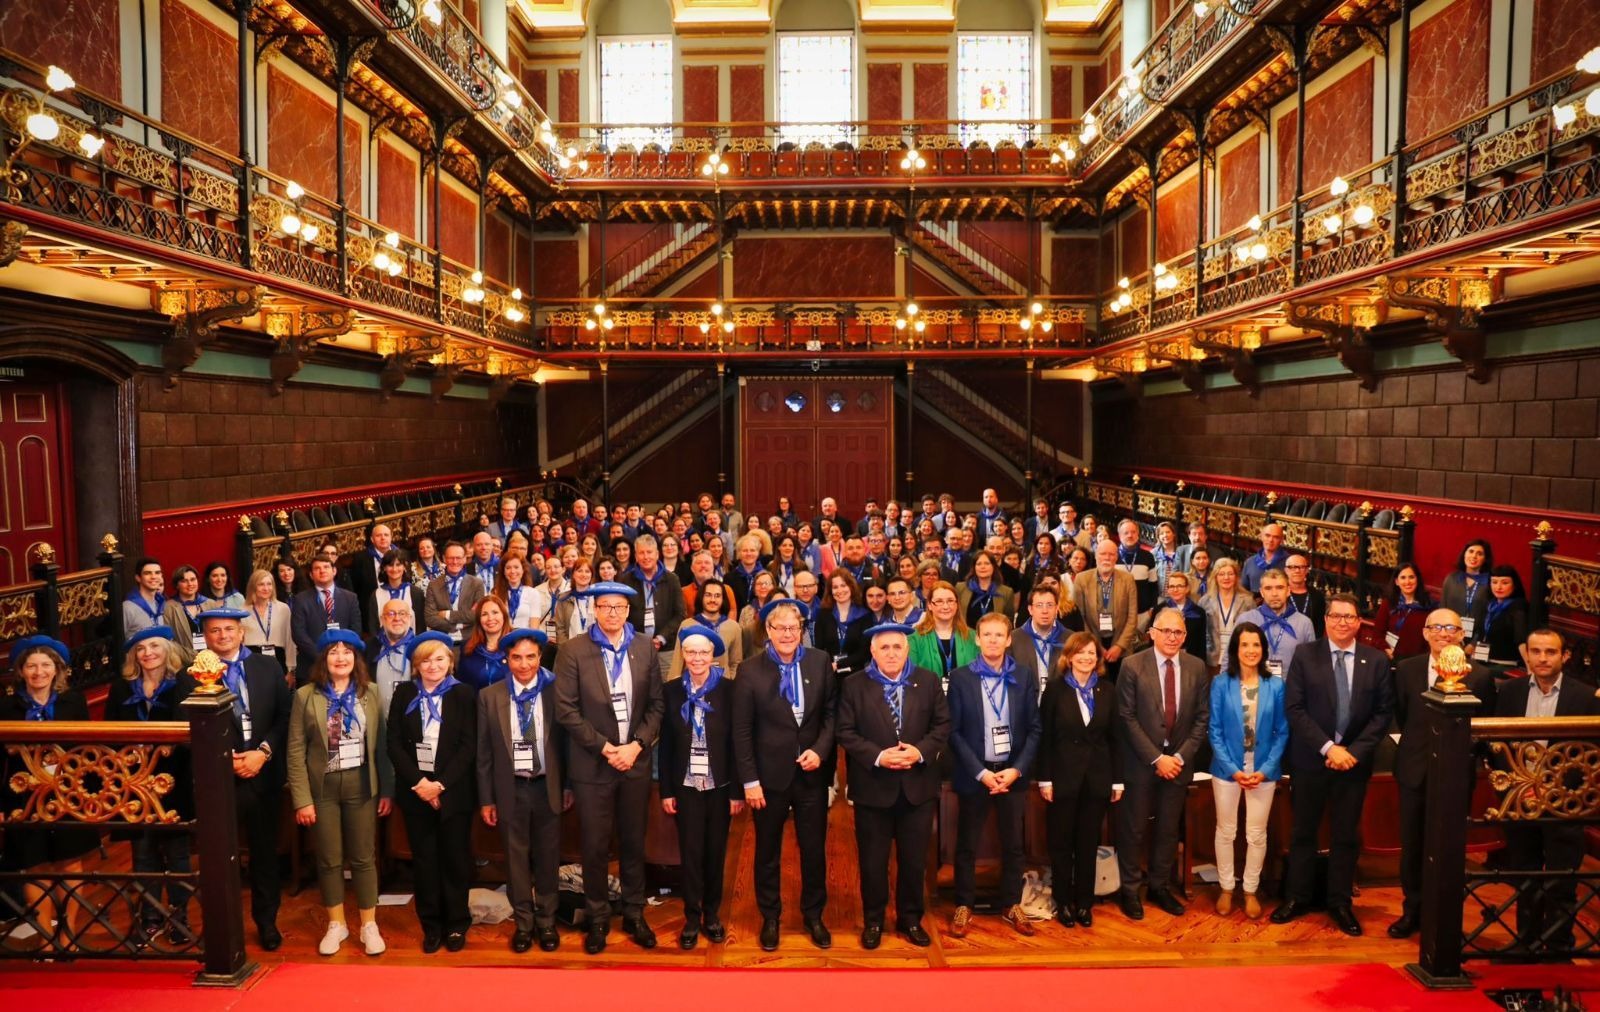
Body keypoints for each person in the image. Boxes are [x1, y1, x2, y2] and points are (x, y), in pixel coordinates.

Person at [1273, 593, 1394, 936]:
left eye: (1350, 617)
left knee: (1345, 836)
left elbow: (1383, 714)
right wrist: (1329, 748)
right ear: (1325, 620)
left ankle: (1340, 903)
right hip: (1311, 760)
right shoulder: (1305, 655)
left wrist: (1352, 751)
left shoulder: (1376, 661)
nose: (1343, 622)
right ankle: (1296, 897)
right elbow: (1295, 708)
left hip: (1354, 764)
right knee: (1303, 833)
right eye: (1336, 616)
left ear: (1359, 623)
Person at [553, 581, 664, 954]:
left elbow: (656, 707)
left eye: (619, 607)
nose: (613, 613)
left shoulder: (645, 647)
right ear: (595, 610)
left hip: (634, 762)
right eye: (605, 607)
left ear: (628, 611)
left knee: (634, 842)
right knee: (595, 845)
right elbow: (566, 710)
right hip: (593, 765)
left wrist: (634, 746)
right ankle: (598, 917)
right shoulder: (573, 651)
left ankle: (634, 912)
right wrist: (606, 748)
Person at [837, 623, 950, 948]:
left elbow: (942, 724)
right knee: (872, 862)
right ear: (872, 652)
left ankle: (910, 919)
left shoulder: (927, 682)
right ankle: (873, 921)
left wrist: (919, 752)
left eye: (896, 647)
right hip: (873, 787)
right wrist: (878, 756)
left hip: (918, 787)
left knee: (914, 861)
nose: (890, 653)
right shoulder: (855, 685)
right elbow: (845, 731)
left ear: (907, 650)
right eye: (883, 648)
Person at [1387, 608, 1496, 939]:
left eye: (1451, 627)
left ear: (1461, 634)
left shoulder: (1479, 676)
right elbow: (1404, 717)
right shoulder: (1406, 669)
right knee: (1414, 846)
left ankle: (1446, 918)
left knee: (1449, 849)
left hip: (1455, 776)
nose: (1444, 633)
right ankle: (1413, 912)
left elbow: (1484, 728)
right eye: (1436, 627)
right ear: (1425, 633)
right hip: (1414, 770)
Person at [733, 599, 836, 951]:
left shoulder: (820, 662)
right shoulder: (750, 670)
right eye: (781, 628)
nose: (788, 634)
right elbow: (742, 731)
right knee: (767, 851)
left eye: (795, 628)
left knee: (813, 850)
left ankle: (813, 915)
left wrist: (820, 751)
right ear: (769, 632)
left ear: (802, 630)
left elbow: (831, 716)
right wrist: (749, 781)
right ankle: (771, 917)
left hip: (811, 776)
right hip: (767, 780)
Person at [288, 628, 393, 956]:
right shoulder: (306, 696)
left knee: (364, 858)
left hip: (362, 785)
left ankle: (368, 924)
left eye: (347, 651)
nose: (341, 657)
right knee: (330, 859)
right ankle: (336, 924)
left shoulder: (371, 692)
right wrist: (302, 799)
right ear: (324, 659)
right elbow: (294, 750)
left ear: (356, 658)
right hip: (323, 789)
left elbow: (382, 746)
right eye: (334, 652)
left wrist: (387, 790)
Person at [190, 607, 290, 949]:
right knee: (221, 859)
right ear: (206, 636)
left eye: (229, 629)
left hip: (263, 774)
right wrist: (223, 761)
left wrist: (263, 752)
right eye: (215, 631)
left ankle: (267, 923)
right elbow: (189, 729)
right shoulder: (190, 675)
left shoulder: (267, 666)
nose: (223, 636)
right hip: (219, 782)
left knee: (265, 856)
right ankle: (223, 927)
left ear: (242, 632)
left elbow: (283, 716)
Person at [1493, 628, 1598, 953]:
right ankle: (1525, 940)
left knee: (1561, 877)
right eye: (1536, 651)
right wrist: (1519, 789)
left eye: (1550, 652)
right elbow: (1498, 746)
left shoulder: (1584, 697)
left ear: (1564, 656)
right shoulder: (1509, 692)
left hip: (1565, 803)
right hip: (1520, 800)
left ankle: (1558, 944)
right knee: (1524, 874)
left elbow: (1590, 755)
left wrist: (1552, 790)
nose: (1542, 658)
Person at [946, 613, 1040, 938]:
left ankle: (1011, 903)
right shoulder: (960, 678)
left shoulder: (1024, 676)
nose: (993, 641)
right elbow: (954, 732)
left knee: (1014, 844)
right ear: (977, 638)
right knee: (967, 844)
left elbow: (1034, 729)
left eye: (999, 635)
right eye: (987, 635)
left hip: (1012, 774)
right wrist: (981, 773)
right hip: (977, 774)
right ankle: (964, 905)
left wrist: (1016, 770)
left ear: (1009, 639)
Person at [2, 636, 100, 944]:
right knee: (35, 863)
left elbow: (89, 750)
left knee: (70, 860)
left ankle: (68, 932)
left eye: (45, 665)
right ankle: (46, 935)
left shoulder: (74, 702)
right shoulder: (7, 707)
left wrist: (92, 795)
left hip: (69, 792)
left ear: (57, 670)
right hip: (23, 795)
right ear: (21, 672)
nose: (38, 672)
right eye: (31, 666)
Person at [1114, 607, 1210, 920]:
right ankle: (1129, 889)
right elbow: (1125, 717)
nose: (1172, 637)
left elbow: (1201, 718)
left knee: (1169, 830)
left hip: (1180, 764)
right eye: (1166, 631)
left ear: (1185, 636)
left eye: (1178, 632)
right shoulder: (1132, 665)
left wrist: (1178, 757)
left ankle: (1159, 886)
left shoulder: (1197, 667)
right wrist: (1157, 758)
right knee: (1134, 829)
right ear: (1152, 632)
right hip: (1142, 763)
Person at [478, 628, 569, 953]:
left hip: (547, 786)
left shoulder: (556, 692)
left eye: (531, 657)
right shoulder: (491, 696)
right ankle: (524, 923)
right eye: (516, 657)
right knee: (515, 859)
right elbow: (484, 753)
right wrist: (486, 798)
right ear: (506, 659)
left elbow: (567, 745)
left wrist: (568, 785)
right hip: (510, 788)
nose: (524, 664)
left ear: (540, 657)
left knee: (547, 857)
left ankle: (546, 922)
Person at [386, 631, 476, 953]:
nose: (433, 665)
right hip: (415, 792)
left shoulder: (464, 694)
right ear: (416, 665)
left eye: (439, 658)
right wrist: (420, 784)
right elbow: (393, 743)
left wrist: (440, 784)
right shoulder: (404, 694)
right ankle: (431, 925)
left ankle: (456, 923)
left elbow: (469, 746)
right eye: (426, 659)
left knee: (455, 859)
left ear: (450, 662)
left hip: (454, 792)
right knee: (424, 861)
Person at [107, 626, 196, 943]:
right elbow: (109, 733)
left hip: (174, 781)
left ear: (166, 650)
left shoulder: (182, 683)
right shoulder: (121, 688)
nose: (148, 653)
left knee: (177, 855)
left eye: (154, 646)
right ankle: (149, 918)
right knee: (142, 854)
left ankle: (179, 918)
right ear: (134, 656)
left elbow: (189, 730)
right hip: (134, 783)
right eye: (141, 649)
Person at [659, 627, 743, 949]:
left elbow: (737, 744)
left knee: (715, 852)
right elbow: (664, 746)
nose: (697, 659)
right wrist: (666, 790)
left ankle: (712, 915)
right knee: (691, 854)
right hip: (686, 786)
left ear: (713, 656)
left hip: (720, 786)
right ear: (684, 655)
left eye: (703, 653)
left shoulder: (729, 690)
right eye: (691, 653)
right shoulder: (671, 691)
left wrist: (736, 790)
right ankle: (692, 918)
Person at [1037, 632, 1121, 928]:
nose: (1086, 658)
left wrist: (1117, 781)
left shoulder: (1108, 691)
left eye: (1091, 653)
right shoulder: (1055, 691)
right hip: (1062, 779)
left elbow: (1115, 739)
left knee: (1088, 844)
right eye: (1080, 653)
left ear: (1098, 659)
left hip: (1097, 780)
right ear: (1069, 657)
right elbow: (1045, 739)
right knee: (1061, 845)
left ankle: (1084, 903)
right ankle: (1063, 901)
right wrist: (1044, 779)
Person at [1207, 623, 1288, 920]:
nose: (1251, 651)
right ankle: (1227, 887)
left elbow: (1282, 732)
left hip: (1263, 772)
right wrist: (1232, 769)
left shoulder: (1276, 686)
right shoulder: (1220, 684)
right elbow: (1214, 730)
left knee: (1256, 834)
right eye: (1245, 645)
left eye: (1256, 645)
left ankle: (1251, 889)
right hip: (1227, 770)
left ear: (1263, 650)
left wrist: (1266, 770)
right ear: (1235, 650)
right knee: (1226, 831)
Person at [290, 556, 363, 686]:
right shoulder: (301, 600)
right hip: (310, 666)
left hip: (343, 665)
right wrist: (322, 656)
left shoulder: (350, 598)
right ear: (311, 575)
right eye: (317, 568)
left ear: (334, 571)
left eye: (326, 567)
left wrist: (339, 654)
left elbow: (355, 629)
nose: (322, 571)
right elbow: (298, 633)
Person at [623, 533, 685, 680]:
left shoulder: (671, 579)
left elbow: (680, 614)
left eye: (649, 552)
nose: (646, 557)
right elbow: (623, 614)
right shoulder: (626, 580)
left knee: (668, 691)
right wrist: (638, 640)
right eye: (641, 553)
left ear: (657, 554)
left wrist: (660, 638)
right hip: (636, 647)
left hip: (666, 648)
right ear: (636, 557)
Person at [1073, 540, 1138, 677]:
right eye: (1103, 554)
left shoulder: (1128, 579)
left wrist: (1119, 646)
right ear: (1096, 556)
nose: (1107, 558)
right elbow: (1079, 618)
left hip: (1121, 645)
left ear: (1116, 557)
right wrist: (1096, 646)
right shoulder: (1081, 579)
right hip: (1091, 644)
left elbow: (1132, 617)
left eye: (1111, 554)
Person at [1243, 569, 1316, 676]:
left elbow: (1310, 663)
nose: (1274, 594)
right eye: (1268, 588)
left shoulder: (1304, 624)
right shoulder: (1246, 620)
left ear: (1288, 591)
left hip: (1290, 689)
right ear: (1262, 592)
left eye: (1280, 588)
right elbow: (1230, 657)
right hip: (1252, 688)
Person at [908, 582, 977, 683]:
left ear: (957, 604)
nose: (946, 606)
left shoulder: (973, 637)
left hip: (965, 696)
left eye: (950, 601)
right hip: (929, 697)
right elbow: (912, 676)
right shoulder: (914, 639)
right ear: (930, 605)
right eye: (939, 601)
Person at [1013, 584, 1071, 701]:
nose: (1045, 611)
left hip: (1059, 706)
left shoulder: (1070, 639)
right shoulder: (1014, 639)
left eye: (1049, 605)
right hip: (1025, 704)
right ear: (1030, 609)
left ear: (1057, 608)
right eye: (1039, 605)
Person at [422, 542, 486, 646]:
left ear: (465, 559)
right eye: (451, 558)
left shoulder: (477, 584)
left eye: (458, 558)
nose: (455, 561)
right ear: (444, 559)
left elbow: (476, 615)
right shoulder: (433, 585)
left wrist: (447, 614)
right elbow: (430, 618)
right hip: (442, 642)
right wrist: (458, 625)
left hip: (471, 642)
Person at [816, 570, 873, 678]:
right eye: (835, 587)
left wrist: (839, 664)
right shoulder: (823, 614)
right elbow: (819, 647)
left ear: (851, 587)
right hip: (830, 673)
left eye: (843, 585)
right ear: (830, 591)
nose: (840, 590)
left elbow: (865, 652)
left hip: (856, 674)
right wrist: (828, 665)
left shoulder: (865, 615)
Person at [1202, 558, 1255, 672]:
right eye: (1221, 574)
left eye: (1230, 574)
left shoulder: (1247, 600)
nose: (1226, 578)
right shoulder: (1205, 601)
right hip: (1212, 660)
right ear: (1215, 577)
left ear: (1236, 577)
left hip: (1239, 658)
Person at [1371, 562, 1432, 661]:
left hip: (1416, 661)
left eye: (1411, 577)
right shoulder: (1388, 604)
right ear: (1396, 582)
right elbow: (1377, 634)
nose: (1407, 582)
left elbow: (1430, 637)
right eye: (1403, 578)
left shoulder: (1427, 605)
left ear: (1417, 579)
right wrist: (1385, 649)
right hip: (1390, 657)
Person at [1440, 539, 1493, 642]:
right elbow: (1443, 609)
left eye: (1479, 554)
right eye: (1471, 551)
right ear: (1464, 554)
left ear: (1485, 559)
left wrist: (1474, 643)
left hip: (1477, 640)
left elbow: (1489, 616)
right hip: (1450, 637)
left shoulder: (1489, 582)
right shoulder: (1451, 579)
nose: (1474, 556)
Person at [368, 597, 417, 710]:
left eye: (402, 613)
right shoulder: (369, 648)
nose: (397, 618)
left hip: (409, 719)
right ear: (382, 619)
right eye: (391, 614)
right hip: (377, 719)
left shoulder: (419, 648)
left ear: (410, 618)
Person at [242, 567, 293, 674]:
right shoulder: (242, 611)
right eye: (261, 584)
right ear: (253, 587)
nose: (266, 588)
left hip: (278, 659)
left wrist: (291, 669)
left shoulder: (283, 608)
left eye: (269, 584)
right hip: (252, 659)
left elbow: (289, 640)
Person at [1476, 564, 1529, 666]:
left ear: (1514, 585)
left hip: (1504, 664)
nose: (1498, 587)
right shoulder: (1489, 604)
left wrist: (1529, 665)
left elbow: (1521, 638)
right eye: (1494, 582)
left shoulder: (1518, 605)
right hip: (1481, 660)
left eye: (1505, 583)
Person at [458, 596, 511, 691]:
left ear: (504, 615)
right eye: (484, 614)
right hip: (477, 704)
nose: (490, 618)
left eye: (495, 612)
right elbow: (463, 687)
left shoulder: (515, 645)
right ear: (479, 620)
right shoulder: (467, 648)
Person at [369, 549, 423, 638]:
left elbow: (421, 626)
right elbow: (373, 627)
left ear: (405, 567)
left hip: (411, 646)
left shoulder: (415, 593)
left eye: (398, 565)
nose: (394, 569)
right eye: (390, 565)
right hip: (384, 647)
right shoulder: (376, 594)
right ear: (384, 568)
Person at [348, 525, 392, 634]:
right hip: (372, 610)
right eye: (378, 535)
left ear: (391, 537)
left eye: (386, 535)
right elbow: (356, 587)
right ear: (372, 539)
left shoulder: (401, 555)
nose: (383, 538)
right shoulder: (361, 559)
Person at [958, 550, 1015, 629]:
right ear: (974, 568)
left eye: (987, 563)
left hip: (993, 638)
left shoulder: (1006, 592)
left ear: (994, 567)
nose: (982, 567)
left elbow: (1009, 621)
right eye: (979, 564)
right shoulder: (961, 588)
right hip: (966, 637)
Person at [163, 565, 208, 664]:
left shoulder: (210, 604)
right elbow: (168, 641)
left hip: (211, 660)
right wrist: (190, 657)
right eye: (184, 581)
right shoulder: (168, 608)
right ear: (177, 585)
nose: (190, 584)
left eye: (193, 579)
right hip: (185, 662)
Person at [1162, 571, 1208, 665]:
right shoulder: (1160, 610)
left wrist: (1201, 664)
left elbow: (1201, 643)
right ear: (1168, 590)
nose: (1175, 590)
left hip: (1191, 660)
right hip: (1165, 659)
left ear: (1187, 588)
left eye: (1179, 586)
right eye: (1172, 586)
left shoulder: (1198, 612)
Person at [1282, 553, 1326, 639]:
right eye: (1292, 567)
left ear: (1307, 570)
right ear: (1286, 570)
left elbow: (1320, 626)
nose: (1297, 571)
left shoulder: (1317, 596)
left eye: (1301, 567)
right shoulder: (1279, 594)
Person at [1240, 523, 1289, 593]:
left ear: (1281, 540)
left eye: (1276, 537)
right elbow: (1243, 591)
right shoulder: (1250, 562)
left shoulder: (1289, 563)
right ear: (1261, 537)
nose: (1271, 540)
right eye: (1267, 535)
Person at [123, 557, 167, 635]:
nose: (153, 577)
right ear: (138, 578)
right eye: (148, 573)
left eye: (157, 573)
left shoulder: (161, 604)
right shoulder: (127, 607)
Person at [497, 553, 537, 631]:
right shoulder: (496, 593)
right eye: (508, 568)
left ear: (523, 570)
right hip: (503, 639)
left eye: (516, 567)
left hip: (525, 639)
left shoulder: (533, 593)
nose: (512, 571)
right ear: (503, 572)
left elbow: (534, 626)